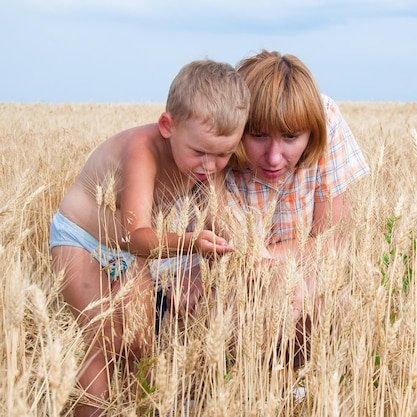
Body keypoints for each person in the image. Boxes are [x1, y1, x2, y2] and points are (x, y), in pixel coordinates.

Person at [49, 59, 249, 416]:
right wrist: (191, 243)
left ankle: (135, 409)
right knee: (104, 339)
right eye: (201, 152)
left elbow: (218, 215)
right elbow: (135, 234)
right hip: (82, 239)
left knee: (141, 342)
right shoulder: (141, 150)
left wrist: (240, 244)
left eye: (223, 154)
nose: (210, 165)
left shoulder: (207, 160)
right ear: (167, 126)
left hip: (136, 249)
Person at [224, 50, 370, 365]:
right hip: (226, 294)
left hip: (301, 280)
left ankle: (297, 394)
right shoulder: (218, 129)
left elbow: (333, 239)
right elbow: (231, 267)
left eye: (291, 137)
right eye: (258, 135)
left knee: (338, 304)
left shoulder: (325, 116)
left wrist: (270, 260)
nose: (274, 157)